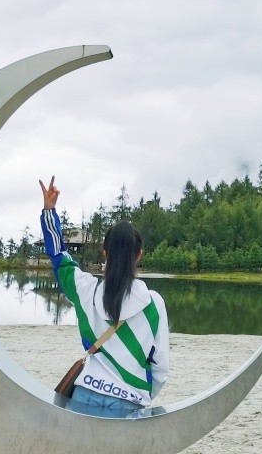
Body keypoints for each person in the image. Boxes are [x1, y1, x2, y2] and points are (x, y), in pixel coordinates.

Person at [39, 176, 170, 418]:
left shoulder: (85, 289)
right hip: (129, 402)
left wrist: (50, 211)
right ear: (139, 255)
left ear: (105, 252)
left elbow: (58, 256)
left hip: (83, 395)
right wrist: (143, 393)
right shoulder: (153, 303)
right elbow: (160, 366)